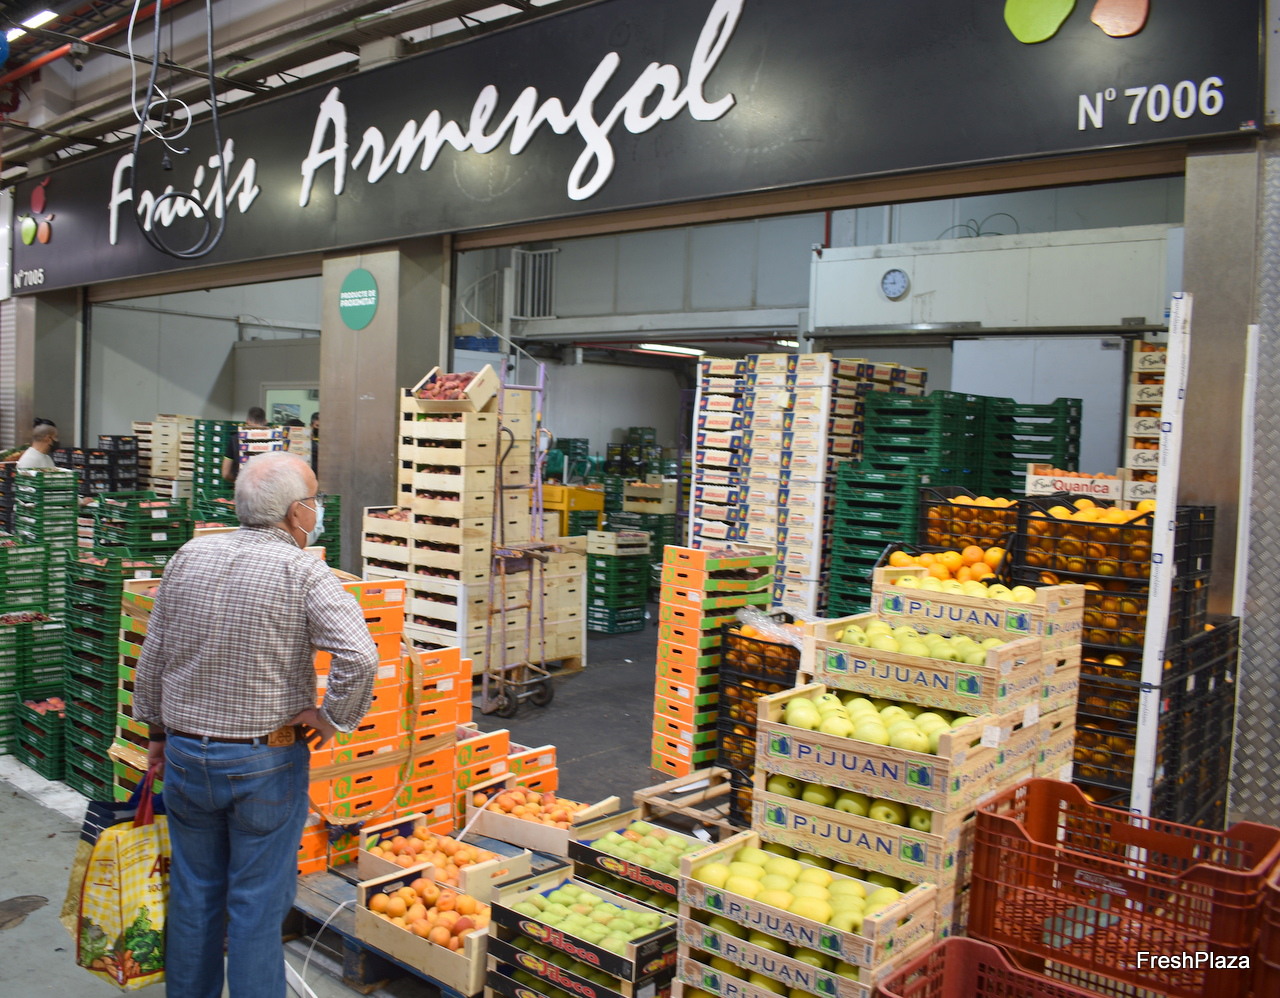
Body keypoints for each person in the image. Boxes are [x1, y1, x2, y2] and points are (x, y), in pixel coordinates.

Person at [133, 450, 378, 998]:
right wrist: (332, 717)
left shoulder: (190, 555)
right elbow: (360, 655)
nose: (318, 510)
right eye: (314, 501)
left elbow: (154, 653)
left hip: (186, 757)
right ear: (295, 513)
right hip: (263, 762)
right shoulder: (302, 570)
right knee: (256, 906)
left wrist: (156, 734)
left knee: (194, 896)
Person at [221, 405, 268, 483]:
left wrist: (239, 482)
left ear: (247, 421)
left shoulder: (235, 439)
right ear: (265, 421)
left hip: (243, 487)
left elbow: (225, 473)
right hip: (266, 488)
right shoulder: (274, 440)